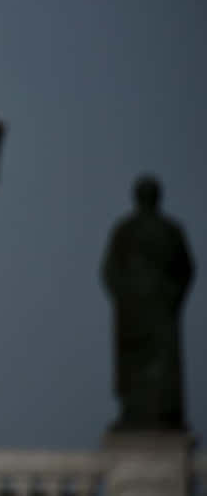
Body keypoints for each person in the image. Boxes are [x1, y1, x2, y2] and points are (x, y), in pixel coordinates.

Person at [101, 175, 195, 431]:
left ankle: (162, 412)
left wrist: (172, 295)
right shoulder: (127, 231)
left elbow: (186, 269)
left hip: (156, 305)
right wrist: (125, 294)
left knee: (160, 361)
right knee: (136, 360)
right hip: (137, 307)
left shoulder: (165, 230)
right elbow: (109, 271)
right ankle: (136, 409)